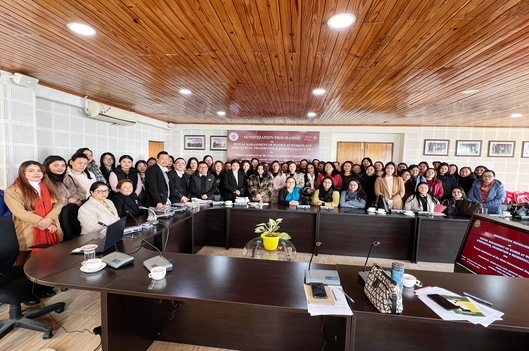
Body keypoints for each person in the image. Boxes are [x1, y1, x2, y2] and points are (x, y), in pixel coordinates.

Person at [4, 161, 63, 265]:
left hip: (52, 226)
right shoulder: (12, 190)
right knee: (27, 263)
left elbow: (58, 202)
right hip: (28, 228)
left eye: (39, 170)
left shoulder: (46, 186)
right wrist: (44, 223)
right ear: (22, 172)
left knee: (54, 260)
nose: (36, 173)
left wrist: (50, 219)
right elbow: (19, 212)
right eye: (31, 171)